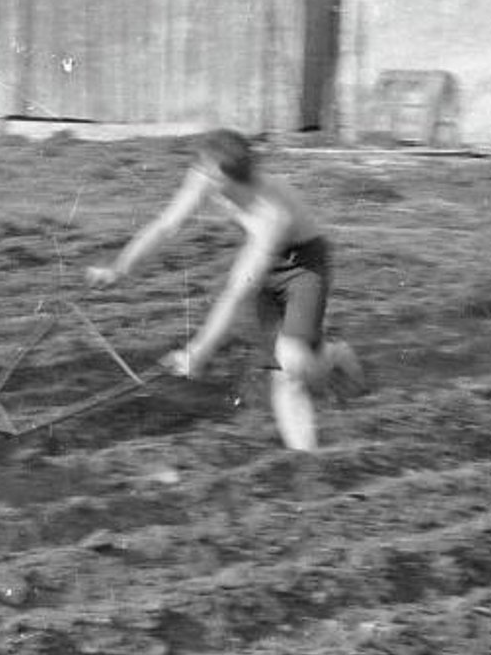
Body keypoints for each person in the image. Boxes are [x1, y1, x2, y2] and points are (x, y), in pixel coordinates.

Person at [84, 128, 364, 451]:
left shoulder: (271, 215)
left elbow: (235, 292)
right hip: (265, 260)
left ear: (226, 179)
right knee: (293, 368)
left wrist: (199, 351)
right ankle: (309, 439)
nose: (201, 178)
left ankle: (310, 446)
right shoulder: (207, 175)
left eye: (209, 175)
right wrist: (119, 267)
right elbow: (166, 225)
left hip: (303, 265)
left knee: (289, 368)